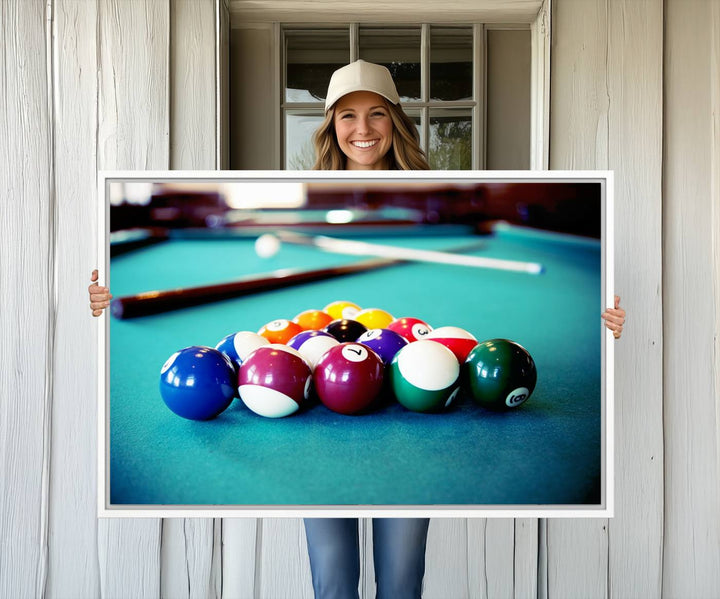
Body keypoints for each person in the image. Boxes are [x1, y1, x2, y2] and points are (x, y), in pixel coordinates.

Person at [87, 59, 626, 599]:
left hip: (389, 368)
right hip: (307, 371)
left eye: (376, 115)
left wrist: (613, 316)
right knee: (334, 578)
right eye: (347, 116)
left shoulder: (428, 182)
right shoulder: (303, 180)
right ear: (330, 126)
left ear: (396, 120)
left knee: (401, 579)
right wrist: (97, 296)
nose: (362, 129)